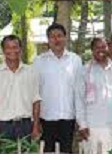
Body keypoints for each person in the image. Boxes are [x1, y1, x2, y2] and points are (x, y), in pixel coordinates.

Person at [33, 23, 87, 153]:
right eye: (52, 37)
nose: (56, 39)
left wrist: (82, 121)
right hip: (46, 118)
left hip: (68, 119)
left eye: (59, 36)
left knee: (66, 151)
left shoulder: (75, 60)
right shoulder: (39, 61)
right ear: (48, 40)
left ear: (65, 38)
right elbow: (35, 93)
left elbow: (79, 93)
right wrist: (35, 121)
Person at [0, 35, 41, 140]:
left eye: (15, 47)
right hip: (4, 126)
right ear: (3, 50)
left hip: (26, 125)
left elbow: (36, 101)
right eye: (8, 47)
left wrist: (35, 127)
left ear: (20, 49)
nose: (12, 50)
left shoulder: (31, 72)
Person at [83, 37, 112, 154]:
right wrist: (82, 124)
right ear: (92, 50)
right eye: (97, 47)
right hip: (92, 125)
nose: (101, 50)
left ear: (108, 48)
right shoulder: (85, 70)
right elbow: (78, 99)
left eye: (103, 47)